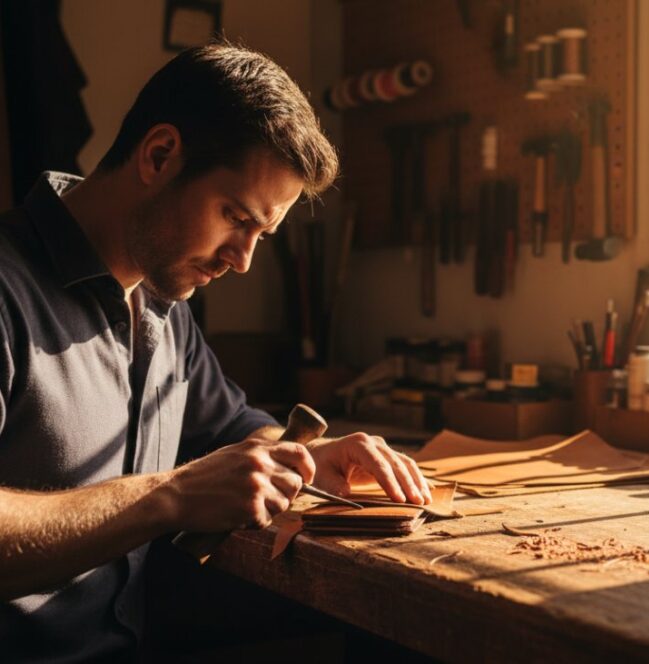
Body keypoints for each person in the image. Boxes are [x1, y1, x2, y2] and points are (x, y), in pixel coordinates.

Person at [0, 41, 431, 661]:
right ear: (159, 155)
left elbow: (232, 428)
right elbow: (180, 488)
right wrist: (170, 496)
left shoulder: (161, 301)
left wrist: (308, 458)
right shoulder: (8, 290)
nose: (243, 259)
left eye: (262, 234)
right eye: (235, 217)